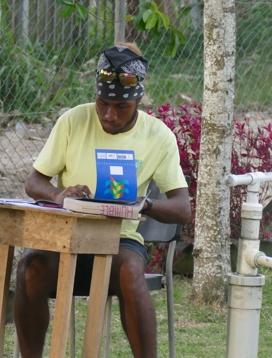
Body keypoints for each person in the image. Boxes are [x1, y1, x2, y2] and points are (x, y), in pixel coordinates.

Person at [14, 43, 191, 358]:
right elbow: (34, 182)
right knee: (31, 267)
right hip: (68, 238)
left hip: (119, 242)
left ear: (138, 99)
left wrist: (144, 204)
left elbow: (182, 209)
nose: (109, 115)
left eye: (120, 107)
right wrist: (58, 194)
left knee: (131, 272)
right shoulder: (73, 121)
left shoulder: (158, 136)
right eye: (102, 104)